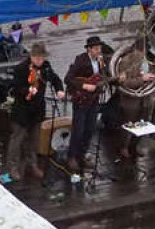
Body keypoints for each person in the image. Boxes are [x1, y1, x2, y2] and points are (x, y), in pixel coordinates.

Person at [7, 42, 64, 181]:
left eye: (42, 58)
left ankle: (31, 164)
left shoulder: (46, 67)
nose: (40, 61)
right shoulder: (21, 69)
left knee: (34, 140)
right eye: (37, 58)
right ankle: (12, 167)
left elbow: (54, 78)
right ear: (32, 57)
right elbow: (14, 89)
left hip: (37, 110)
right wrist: (27, 90)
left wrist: (59, 89)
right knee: (17, 140)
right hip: (22, 111)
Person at [65, 35, 110, 173]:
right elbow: (68, 79)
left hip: (94, 99)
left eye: (100, 48)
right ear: (89, 49)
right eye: (96, 49)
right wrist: (84, 86)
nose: (98, 51)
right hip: (81, 100)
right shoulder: (80, 60)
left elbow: (103, 78)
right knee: (78, 129)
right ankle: (71, 157)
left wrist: (115, 79)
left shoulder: (101, 62)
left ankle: (82, 155)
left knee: (90, 129)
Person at [115, 37, 155, 160]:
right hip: (130, 101)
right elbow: (124, 83)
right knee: (129, 125)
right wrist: (142, 79)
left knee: (141, 125)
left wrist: (153, 77)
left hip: (144, 99)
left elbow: (152, 75)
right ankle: (123, 148)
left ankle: (134, 146)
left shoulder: (147, 60)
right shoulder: (126, 61)